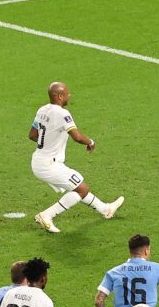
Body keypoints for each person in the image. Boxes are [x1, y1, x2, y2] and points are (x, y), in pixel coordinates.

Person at [30, 81, 124, 232]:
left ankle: (105, 209)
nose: (69, 96)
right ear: (60, 96)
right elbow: (77, 137)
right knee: (81, 189)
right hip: (49, 165)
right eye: (67, 93)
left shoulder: (42, 110)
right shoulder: (62, 114)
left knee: (78, 186)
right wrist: (90, 142)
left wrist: (49, 142)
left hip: (38, 160)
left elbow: (32, 135)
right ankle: (46, 215)